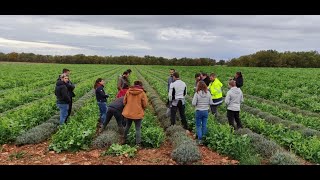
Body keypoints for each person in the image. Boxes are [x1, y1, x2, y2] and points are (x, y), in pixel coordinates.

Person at [122, 81, 148, 147]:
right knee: (138, 128)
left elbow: (124, 101)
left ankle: (124, 140)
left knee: (127, 126)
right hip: (138, 113)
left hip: (128, 112)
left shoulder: (128, 91)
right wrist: (142, 108)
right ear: (140, 85)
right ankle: (138, 144)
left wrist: (128, 106)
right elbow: (145, 104)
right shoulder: (142, 93)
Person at [192, 81, 213, 145]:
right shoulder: (208, 93)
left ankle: (200, 139)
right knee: (204, 125)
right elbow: (211, 103)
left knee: (198, 125)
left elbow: (193, 103)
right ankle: (204, 138)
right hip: (205, 111)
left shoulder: (197, 93)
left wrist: (197, 105)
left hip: (199, 111)